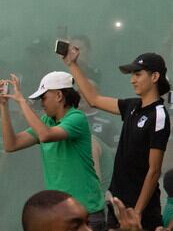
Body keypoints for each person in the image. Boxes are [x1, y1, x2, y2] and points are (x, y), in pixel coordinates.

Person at [65, 48, 172, 230]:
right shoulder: (131, 106)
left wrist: (137, 212)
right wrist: (72, 64)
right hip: (116, 203)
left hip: (140, 210)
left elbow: (154, 170)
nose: (132, 80)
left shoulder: (159, 116)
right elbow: (94, 99)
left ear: (155, 77)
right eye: (132, 75)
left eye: (138, 74)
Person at [1, 73, 106, 231]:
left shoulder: (77, 118)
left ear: (59, 96)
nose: (42, 104)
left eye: (43, 98)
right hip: (61, 214)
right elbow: (11, 144)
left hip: (86, 213)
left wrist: (21, 101)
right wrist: (4, 106)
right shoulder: (46, 121)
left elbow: (46, 135)